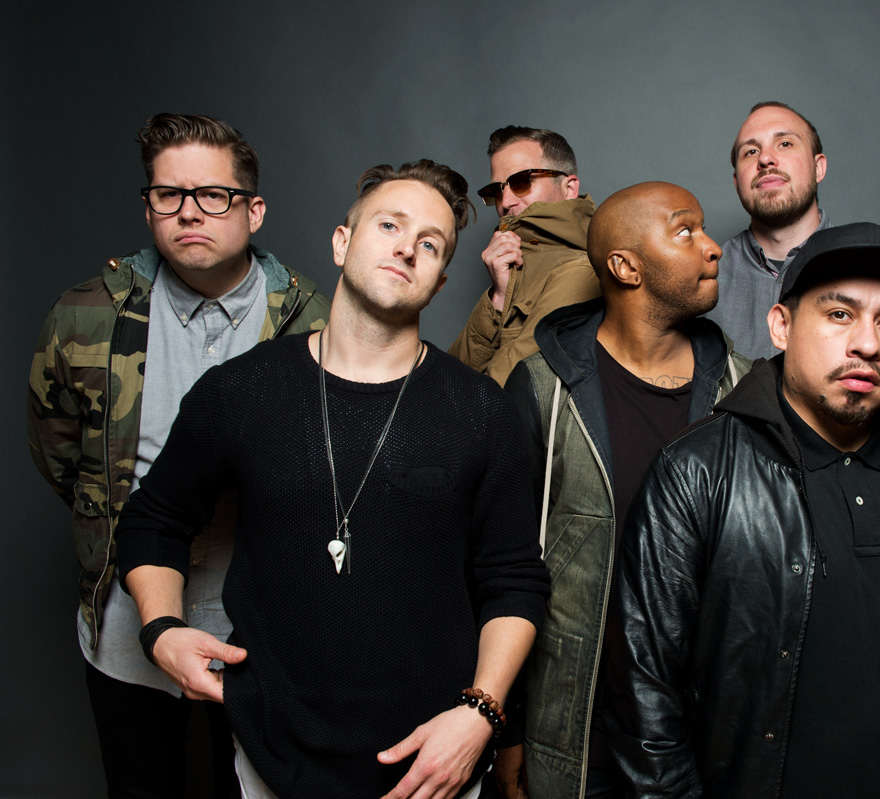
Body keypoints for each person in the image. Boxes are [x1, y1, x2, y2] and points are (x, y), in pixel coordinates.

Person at [114, 160, 550, 798]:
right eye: (389, 225)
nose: (407, 247)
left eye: (430, 243)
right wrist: (160, 631)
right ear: (342, 243)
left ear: (438, 281)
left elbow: (513, 579)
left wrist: (480, 713)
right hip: (271, 754)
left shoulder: (483, 412)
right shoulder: (241, 390)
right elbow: (154, 519)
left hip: (436, 761)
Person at [606, 222, 880, 798]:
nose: (867, 344)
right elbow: (644, 691)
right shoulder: (696, 471)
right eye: (840, 314)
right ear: (781, 326)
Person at [27, 112, 331, 797]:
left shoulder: (315, 324)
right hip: (125, 625)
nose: (189, 212)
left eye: (213, 195)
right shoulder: (86, 315)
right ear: (149, 208)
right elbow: (60, 449)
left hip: (264, 626)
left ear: (253, 210)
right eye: (169, 194)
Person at [504, 182, 752, 798]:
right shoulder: (542, 389)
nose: (713, 247)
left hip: (706, 734)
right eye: (685, 231)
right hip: (577, 730)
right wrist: (507, 729)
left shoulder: (745, 392)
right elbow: (507, 568)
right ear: (625, 266)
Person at [449, 126, 600, 385]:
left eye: (522, 182)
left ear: (569, 188)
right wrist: (498, 298)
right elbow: (446, 376)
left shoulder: (581, 271)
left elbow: (506, 391)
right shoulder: (510, 265)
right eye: (497, 191)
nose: (505, 202)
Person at [706, 101, 831, 359]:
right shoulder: (702, 280)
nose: (765, 159)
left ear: (818, 168)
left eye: (785, 143)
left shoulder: (870, 269)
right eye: (750, 151)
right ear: (737, 182)